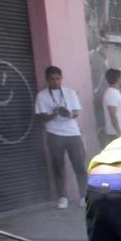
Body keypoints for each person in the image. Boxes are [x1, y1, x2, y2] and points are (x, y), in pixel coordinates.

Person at [34, 65, 87, 209]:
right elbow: (41, 118)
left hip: (73, 133)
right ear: (47, 80)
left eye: (58, 79)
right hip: (54, 134)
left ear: (61, 78)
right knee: (58, 167)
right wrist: (54, 113)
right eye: (52, 79)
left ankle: (83, 196)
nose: (56, 82)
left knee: (80, 166)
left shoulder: (70, 93)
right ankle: (63, 197)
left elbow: (76, 112)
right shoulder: (42, 96)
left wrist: (68, 114)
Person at [100, 68, 121, 146]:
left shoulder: (115, 92)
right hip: (116, 133)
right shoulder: (111, 93)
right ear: (118, 79)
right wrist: (118, 132)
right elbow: (112, 114)